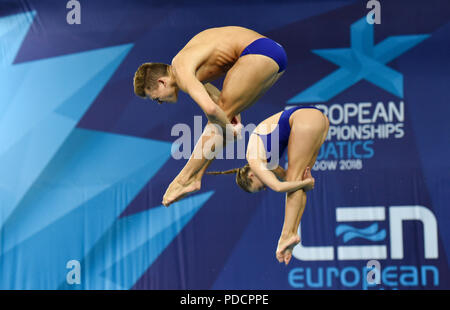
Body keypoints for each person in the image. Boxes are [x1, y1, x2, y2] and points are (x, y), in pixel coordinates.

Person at [133, 26, 288, 206]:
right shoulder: (188, 65)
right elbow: (215, 98)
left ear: (161, 82)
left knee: (218, 123)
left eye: (155, 98)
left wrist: (228, 128)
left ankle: (183, 179)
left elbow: (212, 110)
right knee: (221, 124)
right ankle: (196, 177)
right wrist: (228, 125)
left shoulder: (181, 70)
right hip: (274, 56)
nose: (159, 102)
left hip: (258, 52)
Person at [207, 106, 329, 265]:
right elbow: (290, 180)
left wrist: (305, 183)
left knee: (295, 181)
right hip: (319, 120)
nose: (265, 188)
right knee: (296, 181)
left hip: (304, 119)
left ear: (251, 175)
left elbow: (278, 187)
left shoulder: (254, 159)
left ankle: (285, 235)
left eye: (259, 186)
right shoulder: (268, 162)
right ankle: (292, 232)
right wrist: (304, 183)